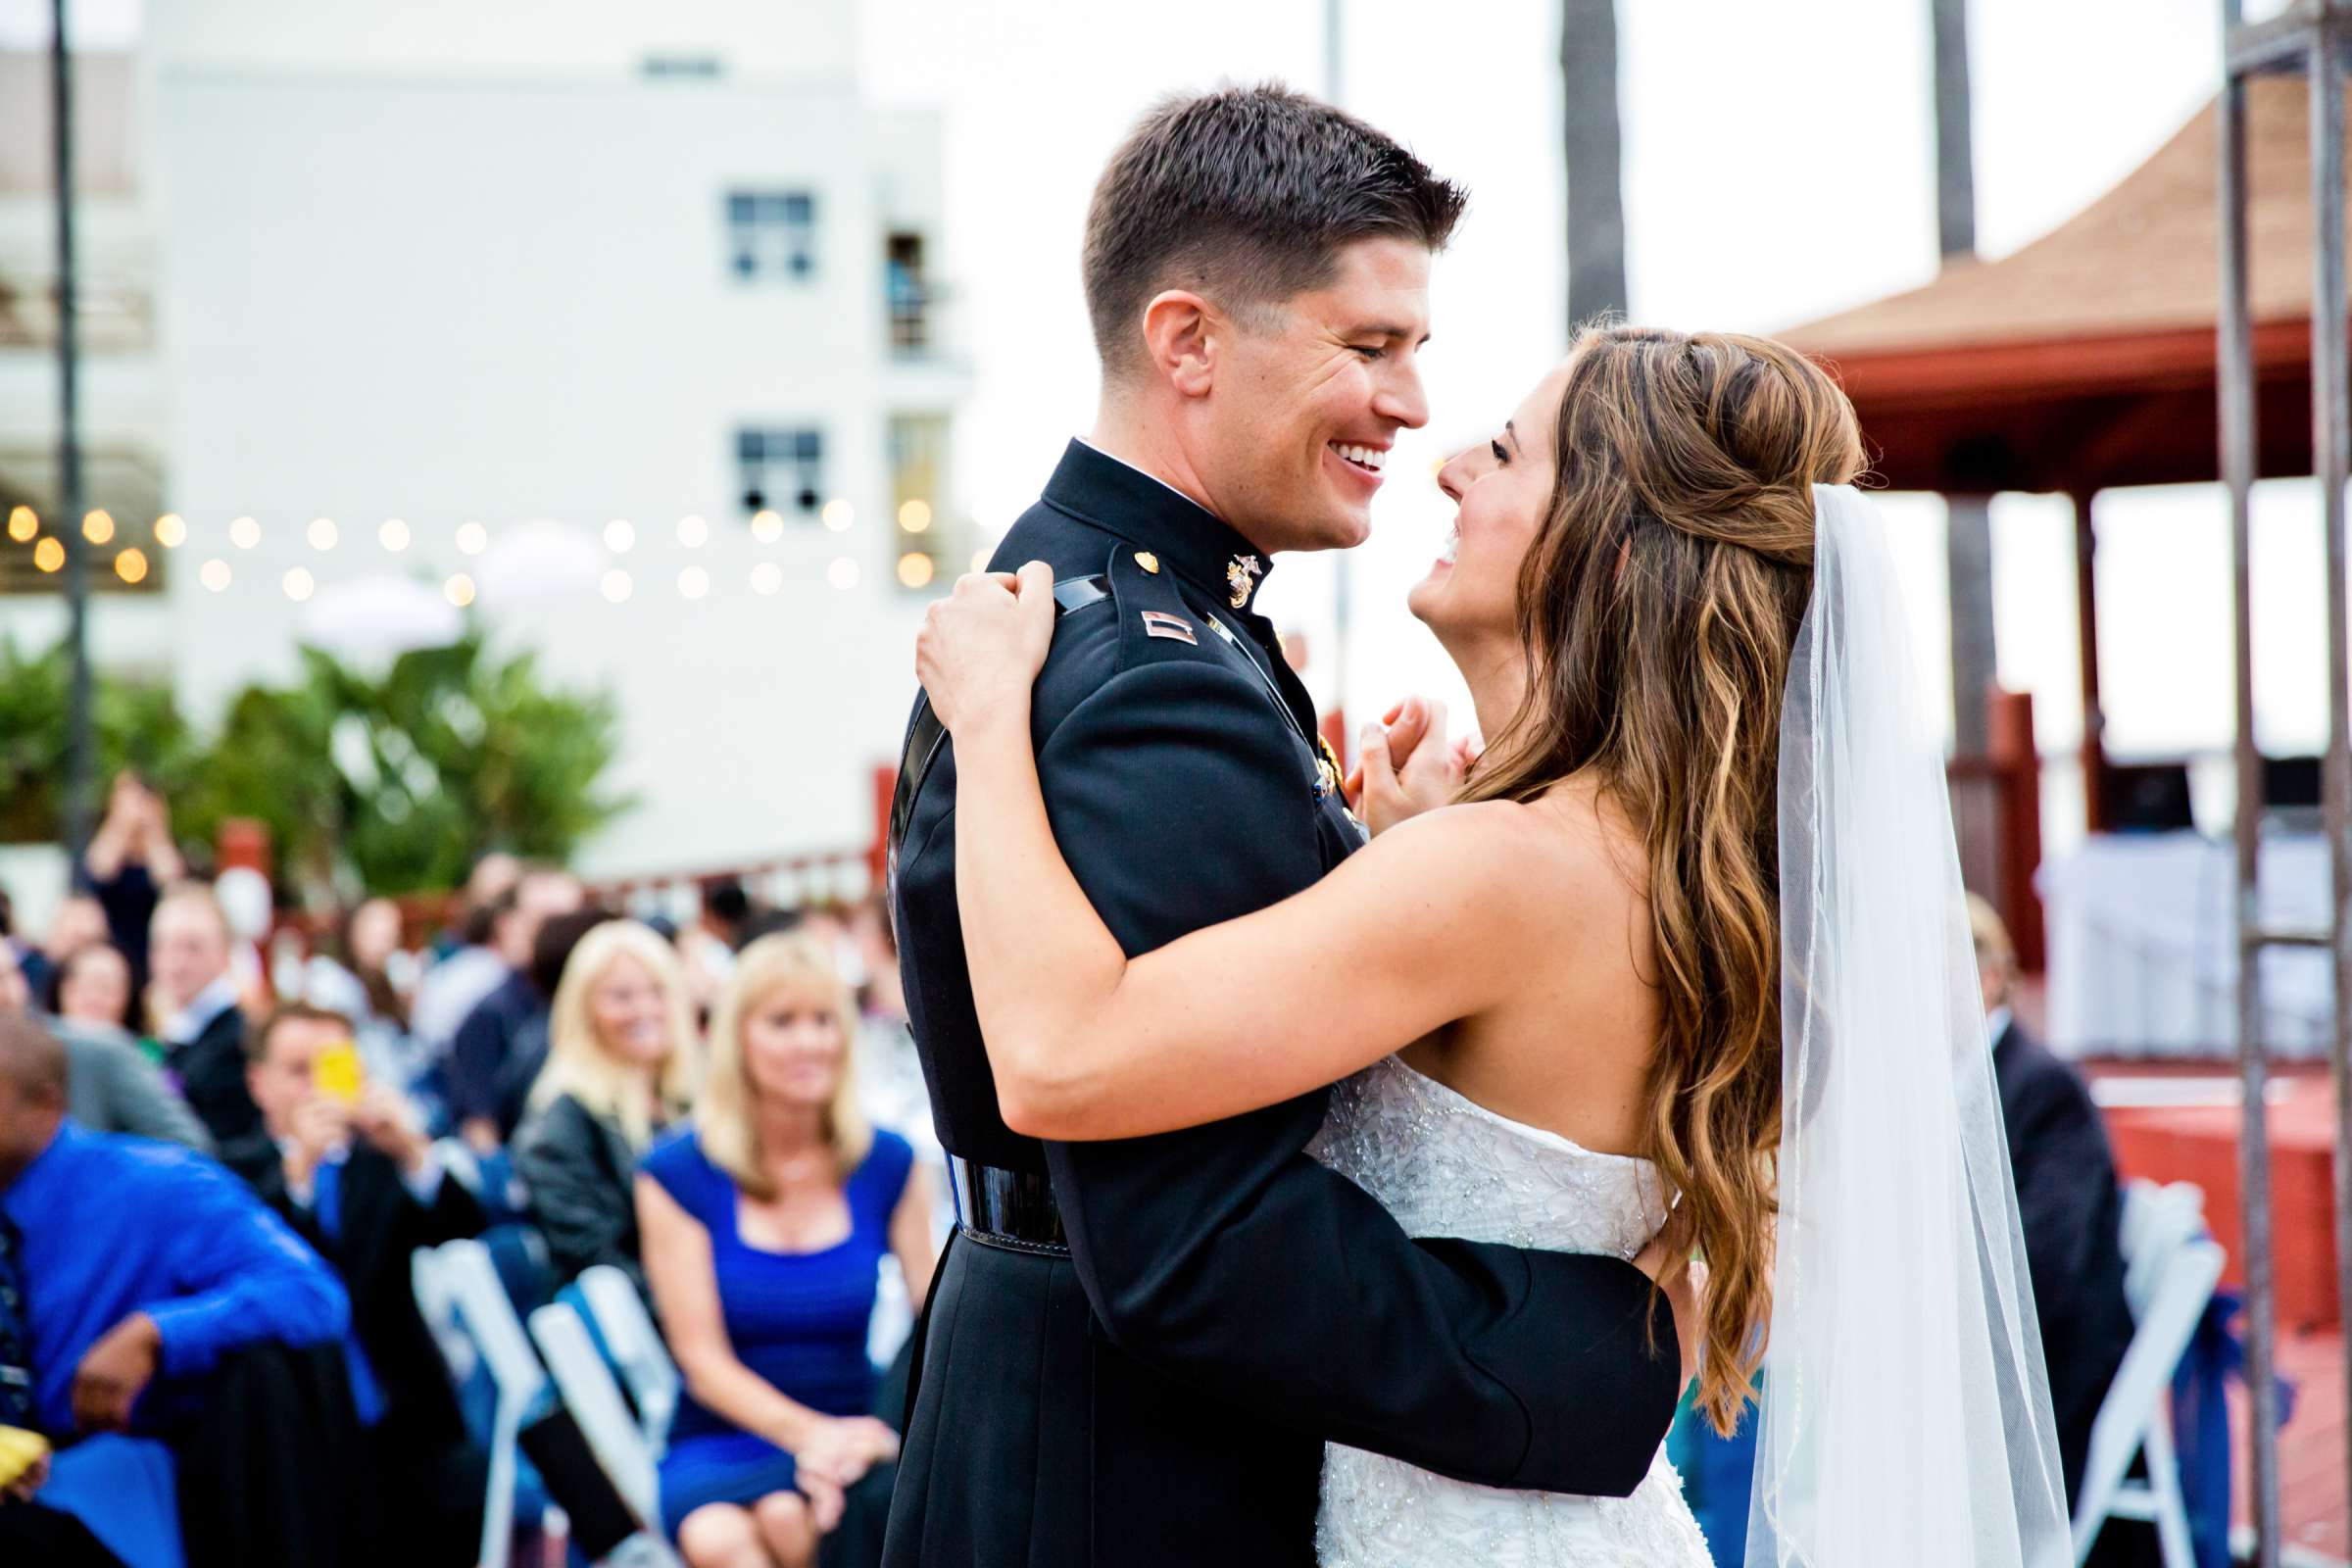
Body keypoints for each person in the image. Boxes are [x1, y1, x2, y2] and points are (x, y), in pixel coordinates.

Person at [917, 323, 2070, 1562]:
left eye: (1511, 453)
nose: (1450, 462)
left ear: (1616, 559)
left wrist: (989, 731)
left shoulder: (1499, 872)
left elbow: (1061, 1057)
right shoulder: (1702, 880)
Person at [881, 88, 1694, 1568]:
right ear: (1186, 341)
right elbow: (1193, 1242)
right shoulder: (1141, 677)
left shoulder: (1143, 612)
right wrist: (1592, 1358)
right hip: (1130, 1469)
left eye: (1418, 352)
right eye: (1366, 345)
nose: (1412, 407)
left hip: (1074, 1401)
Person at [0, 1012, 350, 1567]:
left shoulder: (158, 1187)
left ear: (44, 1106)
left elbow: (312, 1294)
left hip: (109, 1496)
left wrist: (159, 1332)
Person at [639, 934, 937, 1567]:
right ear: (736, 1039)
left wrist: (878, 1437)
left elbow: (934, 1317)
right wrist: (812, 1438)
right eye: (782, 1022)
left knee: (790, 1522)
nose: (811, 1043)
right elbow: (701, 1360)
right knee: (726, 1543)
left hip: (858, 1422)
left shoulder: (888, 1162)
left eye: (825, 1020)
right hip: (724, 1435)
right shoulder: (676, 1173)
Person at [241, 1002, 488, 1566]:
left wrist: (414, 1151)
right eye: (298, 1070)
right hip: (307, 1428)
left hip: (409, 1415)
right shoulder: (243, 1174)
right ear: (260, 1083)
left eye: (332, 1067)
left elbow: (464, 1225)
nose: (316, 1088)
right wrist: (298, 1181)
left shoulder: (378, 1163)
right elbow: (279, 1283)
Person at [1972, 895, 2137, 1514]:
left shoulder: (2044, 1086)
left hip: (2046, 1374)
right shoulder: (1957, 1080)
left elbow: (2044, 1266)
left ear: (1990, 978)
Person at [512, 919, 695, 1295]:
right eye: (622, 996)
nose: (645, 1009)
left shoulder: (688, 1096)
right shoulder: (559, 1126)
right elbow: (598, 1260)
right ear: (584, 1009)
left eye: (658, 991)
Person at [0, 942, 208, 1153]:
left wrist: (101, 1172)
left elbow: (188, 1149)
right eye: (84, 986)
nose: (94, 998)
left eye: (6, 976)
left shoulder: (100, 1051)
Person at [449, 869, 584, 1152]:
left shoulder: (594, 1002)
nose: (562, 935)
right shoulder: (490, 1015)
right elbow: (480, 1129)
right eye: (547, 920)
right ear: (508, 926)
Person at [146, 883, 265, 1164]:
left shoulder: (241, 1039)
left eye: (193, 947)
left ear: (225, 953)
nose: (177, 962)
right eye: (163, 945)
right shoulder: (172, 1035)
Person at [79, 772, 185, 1001]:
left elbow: (171, 882)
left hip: (150, 950)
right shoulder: (106, 846)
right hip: (113, 947)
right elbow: (99, 870)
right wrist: (122, 822)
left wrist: (153, 826)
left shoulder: (161, 849)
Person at [48, 940, 137, 1035]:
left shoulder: (142, 1048)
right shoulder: (38, 1041)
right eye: (86, 986)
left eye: (106, 988)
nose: (94, 997)